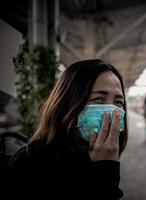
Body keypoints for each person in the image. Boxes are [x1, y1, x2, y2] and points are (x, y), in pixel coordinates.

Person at [2, 59, 128, 199]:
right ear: (68, 103)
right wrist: (104, 171)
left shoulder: (95, 154)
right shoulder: (29, 165)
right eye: (98, 99)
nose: (113, 112)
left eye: (118, 102)